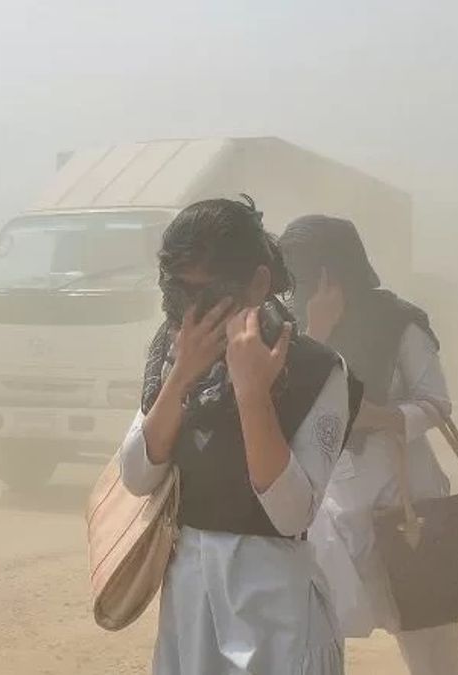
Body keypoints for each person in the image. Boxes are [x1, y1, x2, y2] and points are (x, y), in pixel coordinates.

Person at [119, 198, 362, 675]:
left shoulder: (316, 371)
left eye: (208, 294)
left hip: (273, 613)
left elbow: (290, 512)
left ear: (257, 283)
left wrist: (253, 394)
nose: (191, 312)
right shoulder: (171, 354)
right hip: (190, 603)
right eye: (178, 294)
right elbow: (136, 475)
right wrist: (182, 376)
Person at [279, 215, 458, 675]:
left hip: (405, 499)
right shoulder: (290, 329)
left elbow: (437, 404)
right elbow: (277, 408)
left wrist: (379, 417)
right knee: (319, 632)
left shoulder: (398, 322)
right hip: (331, 507)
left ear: (331, 270)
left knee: (427, 632)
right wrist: (316, 333)